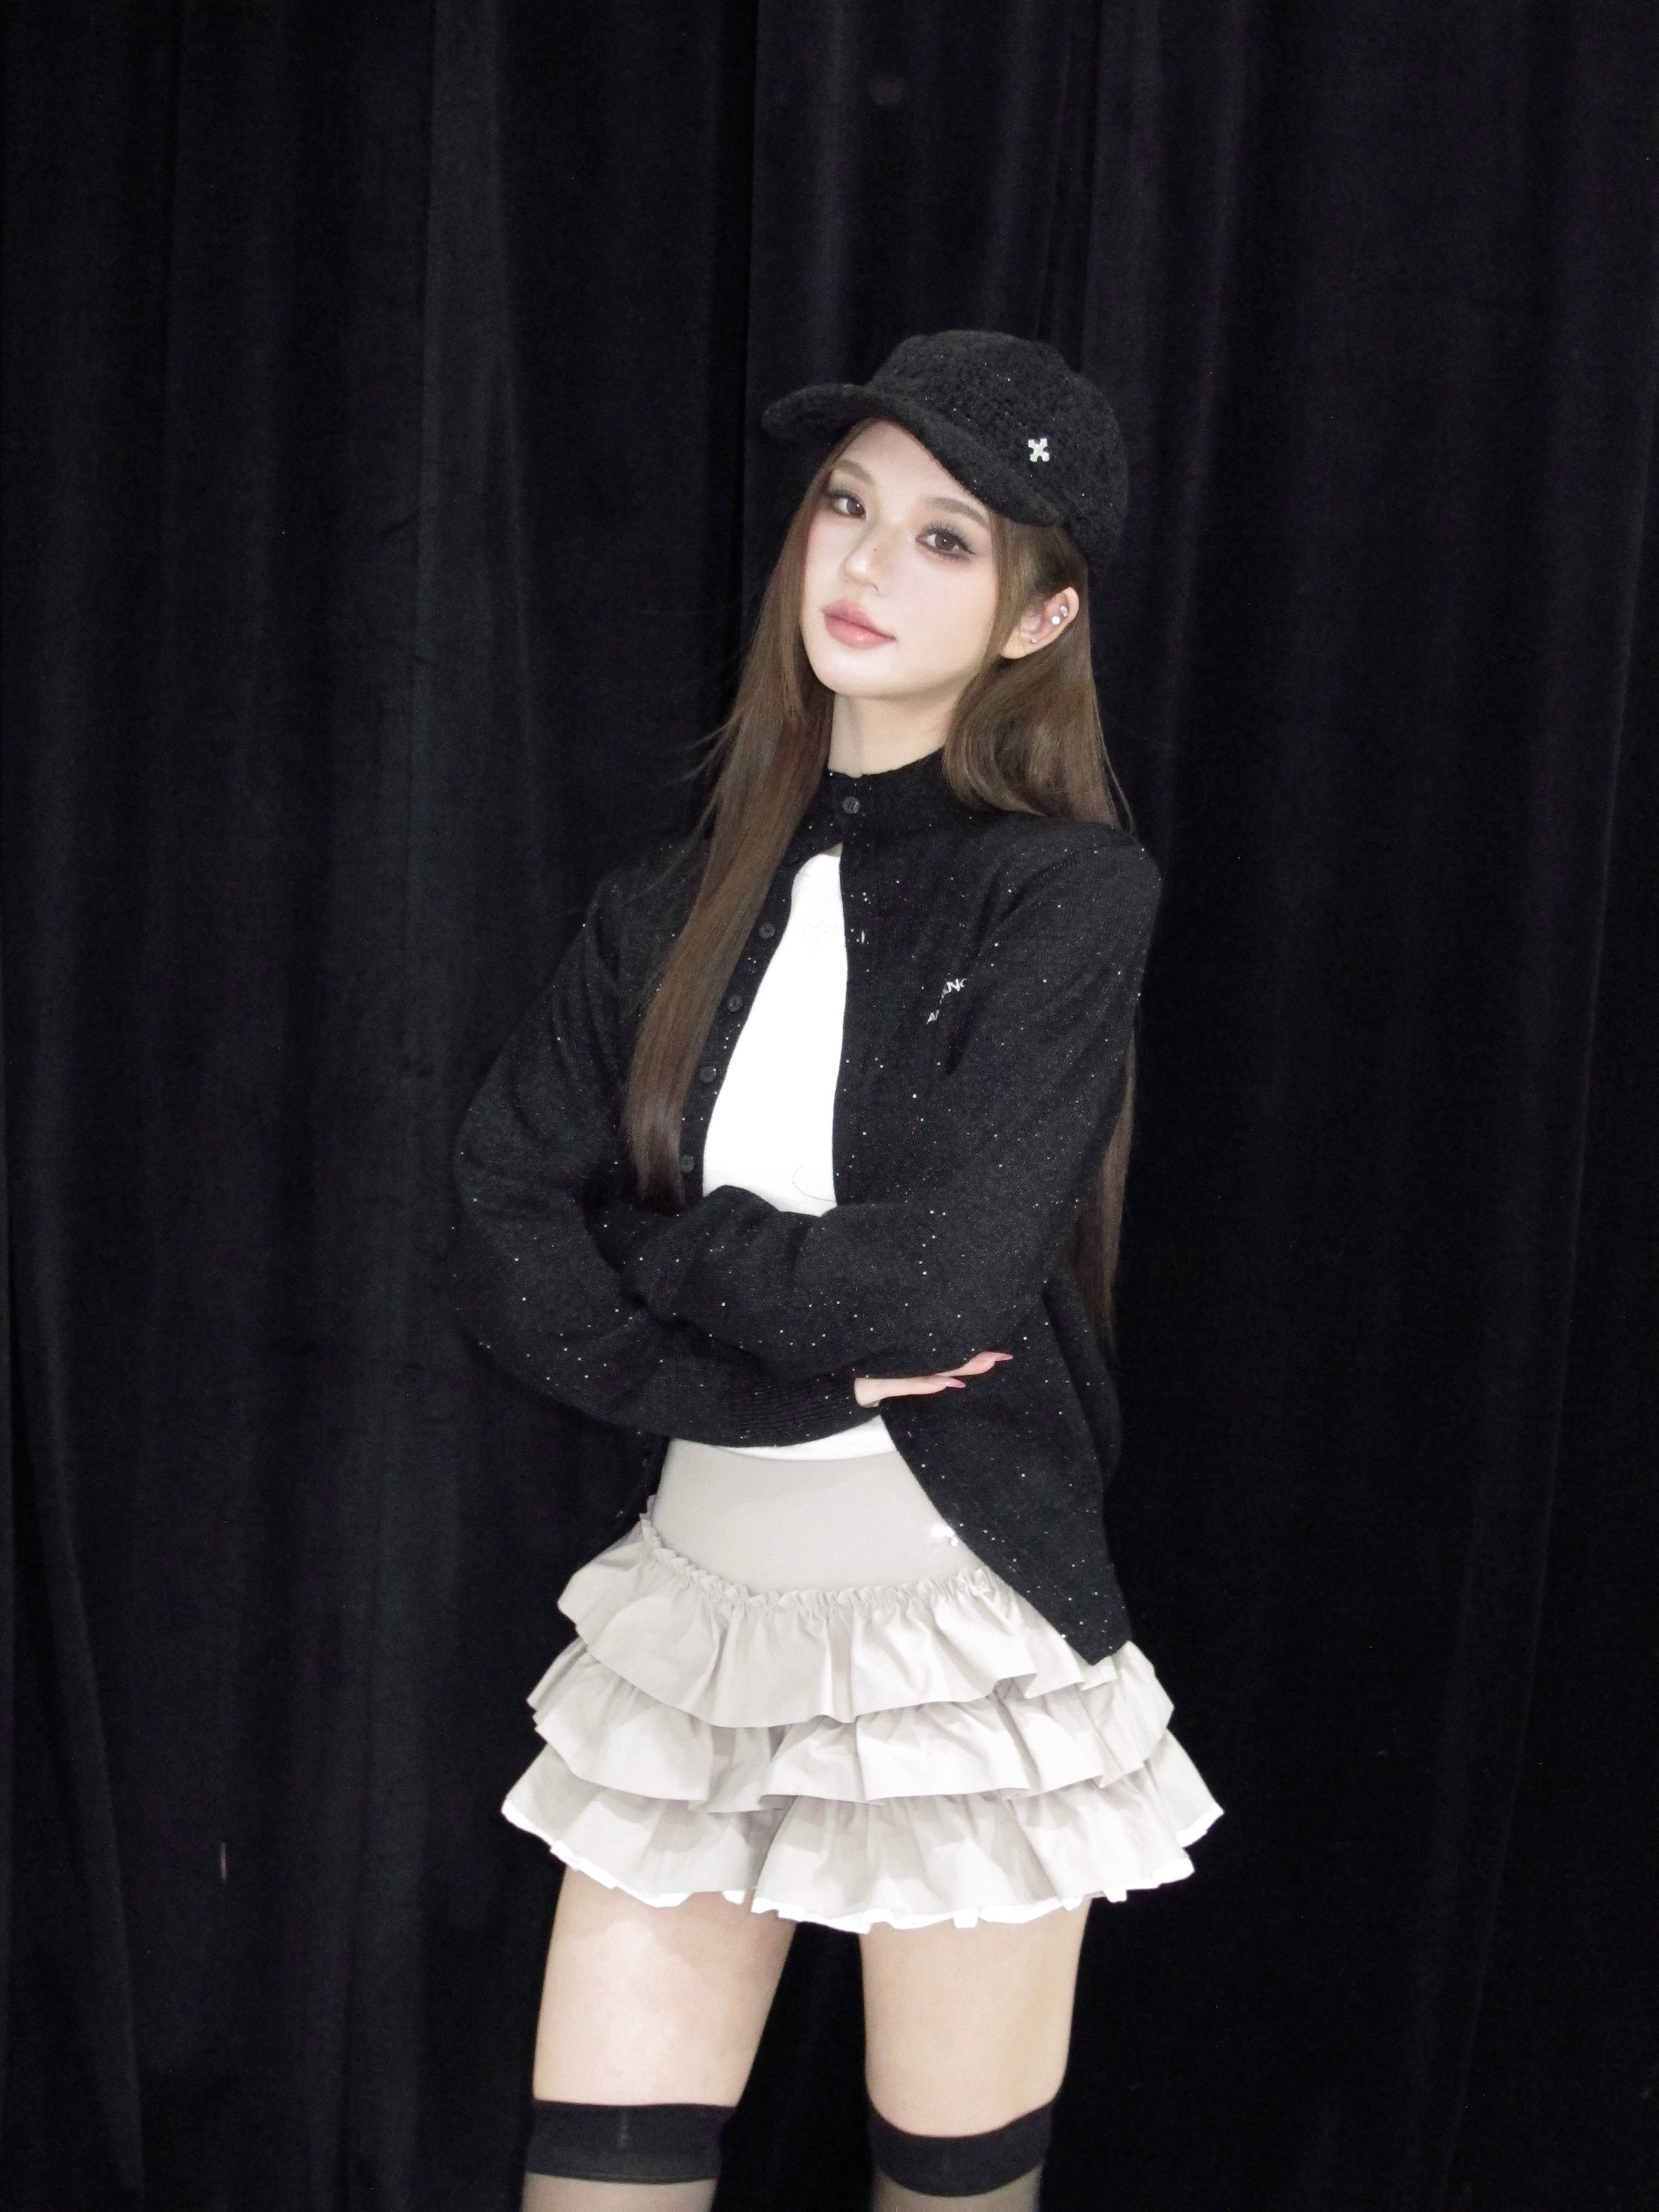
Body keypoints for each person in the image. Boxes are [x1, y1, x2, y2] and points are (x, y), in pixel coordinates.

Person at [450, 330, 1222, 2211]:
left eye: (948, 540)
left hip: (957, 1636)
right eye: (849, 508)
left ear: (1038, 620)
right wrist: (740, 1362)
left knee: (950, 2192)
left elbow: (940, 1288)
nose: (867, 565)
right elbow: (500, 1231)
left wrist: (658, 1250)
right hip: (696, 1623)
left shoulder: (1066, 895)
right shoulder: (666, 901)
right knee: (592, 2176)